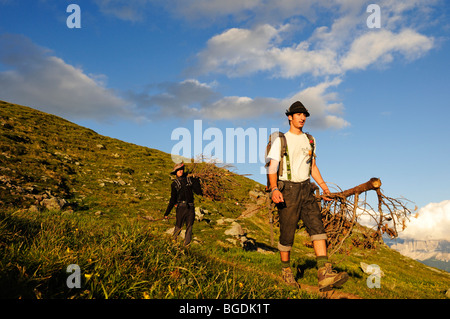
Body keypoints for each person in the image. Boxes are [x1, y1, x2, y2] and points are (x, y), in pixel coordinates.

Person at [266, 101, 349, 291]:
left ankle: (324, 274)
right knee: (287, 232)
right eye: (298, 115)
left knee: (317, 228)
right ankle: (286, 271)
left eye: (305, 115)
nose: (302, 118)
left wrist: (324, 188)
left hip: (306, 189)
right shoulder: (281, 139)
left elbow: (312, 166)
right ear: (290, 117)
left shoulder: (310, 140)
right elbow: (272, 166)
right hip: (286, 189)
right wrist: (274, 189)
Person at [164, 162, 202, 247]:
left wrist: (196, 181)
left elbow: (198, 192)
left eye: (181, 169)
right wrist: (167, 213)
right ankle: (172, 245)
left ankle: (186, 247)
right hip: (181, 208)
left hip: (191, 207)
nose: (180, 171)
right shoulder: (174, 184)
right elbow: (172, 199)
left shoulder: (190, 180)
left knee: (189, 227)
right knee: (178, 227)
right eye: (178, 170)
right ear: (175, 173)